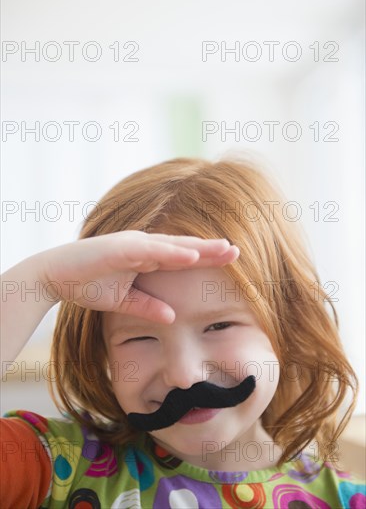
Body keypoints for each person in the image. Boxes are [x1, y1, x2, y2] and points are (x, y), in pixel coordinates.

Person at [1, 154, 365, 509]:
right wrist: (40, 280)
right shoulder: (59, 465)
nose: (184, 374)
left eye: (219, 325)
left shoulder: (343, 499)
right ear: (101, 354)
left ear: (288, 329)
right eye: (140, 337)